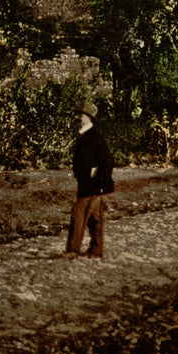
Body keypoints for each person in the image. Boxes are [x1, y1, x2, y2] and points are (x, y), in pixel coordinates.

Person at [64, 100, 115, 259]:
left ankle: (73, 250)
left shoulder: (95, 138)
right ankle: (96, 250)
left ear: (89, 117)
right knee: (95, 219)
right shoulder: (83, 135)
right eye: (78, 114)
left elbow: (106, 162)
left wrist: (100, 182)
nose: (78, 117)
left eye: (81, 114)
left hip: (92, 184)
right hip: (87, 183)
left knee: (77, 214)